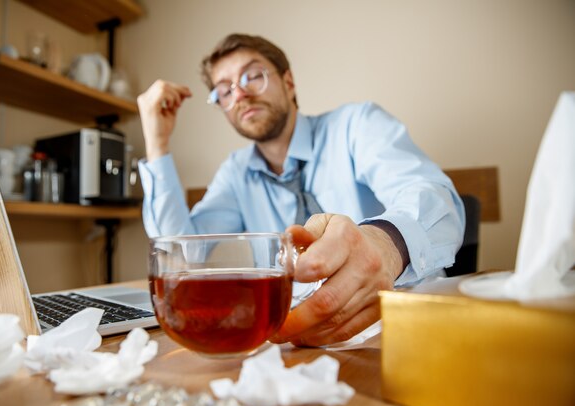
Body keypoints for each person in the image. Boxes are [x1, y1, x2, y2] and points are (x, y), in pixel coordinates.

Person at [137, 33, 465, 347]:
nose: (239, 94)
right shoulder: (236, 173)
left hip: (406, 326)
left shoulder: (356, 125)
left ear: (288, 82)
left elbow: (438, 200)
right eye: (224, 91)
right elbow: (182, 253)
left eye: (252, 76)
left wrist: (386, 244)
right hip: (301, 342)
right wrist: (157, 143)